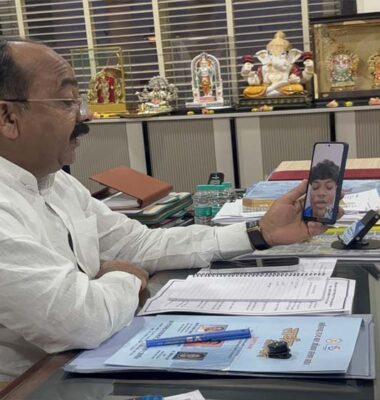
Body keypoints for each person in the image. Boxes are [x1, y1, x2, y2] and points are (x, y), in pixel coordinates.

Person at [0, 38, 341, 381]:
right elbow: (80, 321)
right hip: (32, 384)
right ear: (7, 117)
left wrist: (260, 233)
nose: (85, 115)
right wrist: (127, 278)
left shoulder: (56, 182)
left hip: (90, 358)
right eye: (66, 101)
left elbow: (140, 244)